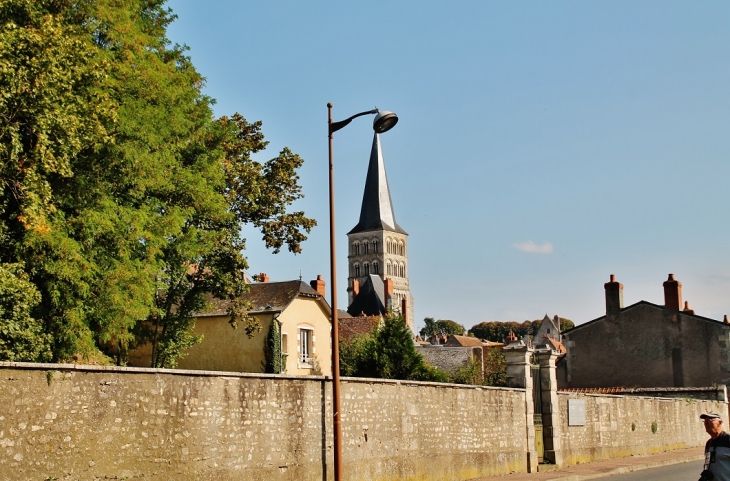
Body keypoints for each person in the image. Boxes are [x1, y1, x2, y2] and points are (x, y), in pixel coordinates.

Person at [700, 412, 730, 481]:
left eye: (709, 420)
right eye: (705, 421)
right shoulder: (709, 443)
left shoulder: (728, 440)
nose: (706, 424)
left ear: (719, 422)